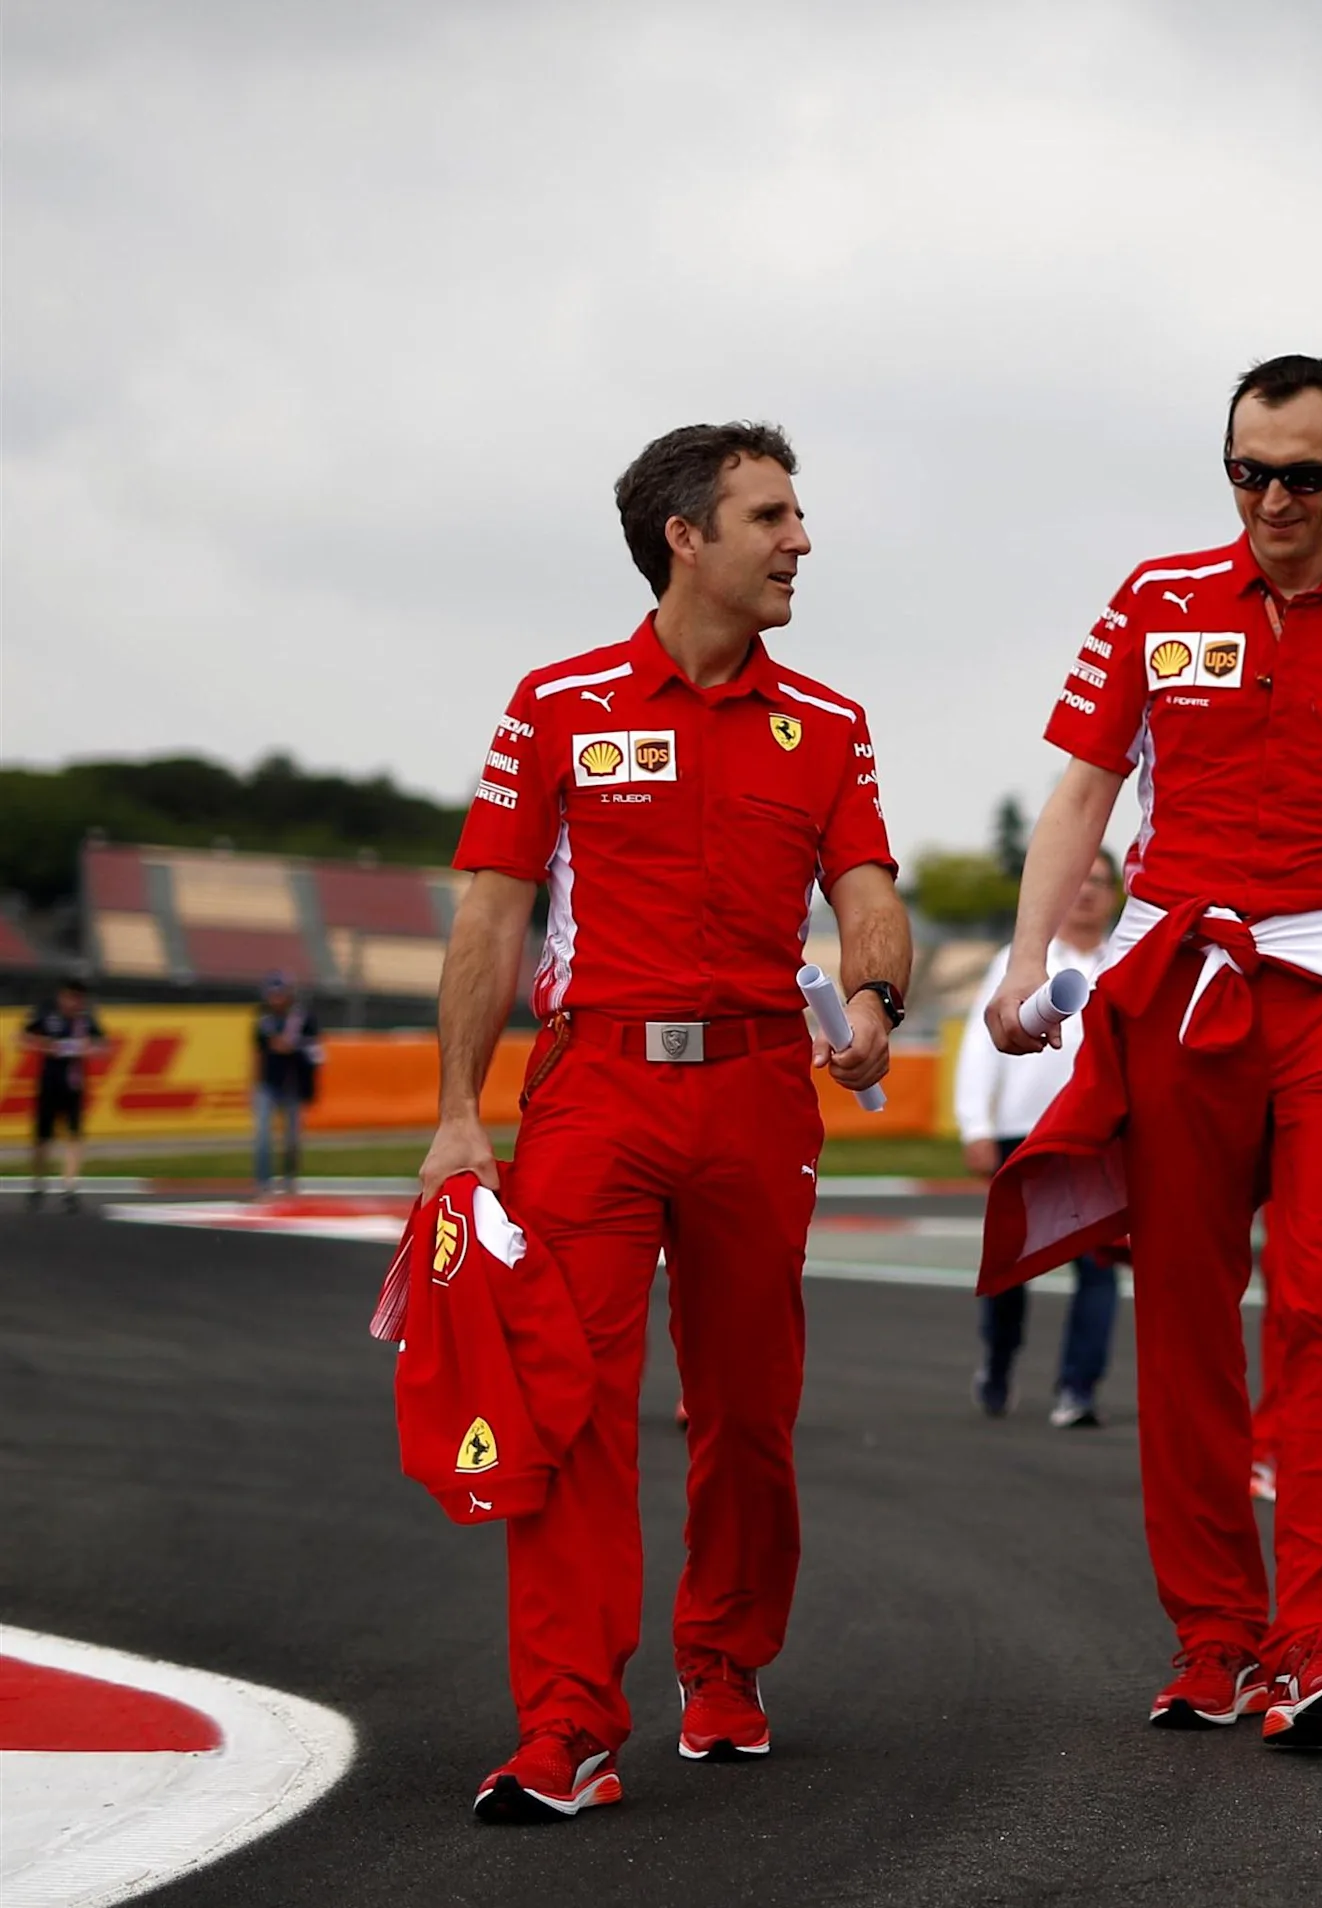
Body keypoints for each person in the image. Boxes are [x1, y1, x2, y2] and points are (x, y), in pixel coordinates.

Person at [982, 354, 1322, 1748]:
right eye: (1247, 471)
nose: (1271, 498)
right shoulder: (1157, 601)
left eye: (1299, 472)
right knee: (1180, 1315)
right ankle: (1213, 1639)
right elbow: (1083, 787)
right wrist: (1031, 956)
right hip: (1177, 982)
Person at [422, 421, 908, 1824]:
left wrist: (871, 998)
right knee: (565, 1410)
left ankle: (727, 1661)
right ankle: (568, 1724)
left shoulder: (829, 723)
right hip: (595, 1091)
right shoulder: (556, 704)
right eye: (771, 516)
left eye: (798, 514)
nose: (800, 540)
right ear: (685, 536)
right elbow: (493, 916)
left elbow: (866, 888)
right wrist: (459, 1111)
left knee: (747, 1405)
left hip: (761, 1088)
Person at [955, 847, 1125, 1428]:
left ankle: (1077, 1390)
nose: (1086, 892)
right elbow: (981, 1044)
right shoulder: (1023, 961)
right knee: (1013, 1265)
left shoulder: (1127, 959)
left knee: (1099, 1265)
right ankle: (999, 1363)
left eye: (1099, 882)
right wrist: (976, 1124)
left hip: (1099, 1135)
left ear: (1113, 895)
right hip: (1023, 1130)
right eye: (1078, 878)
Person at [22, 978, 105, 1211]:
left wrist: (90, 1048)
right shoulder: (46, 1013)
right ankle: (38, 1184)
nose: (74, 1003)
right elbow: (24, 1037)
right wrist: (46, 1045)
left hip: (74, 1087)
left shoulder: (86, 1020)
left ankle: (70, 1188)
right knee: (42, 1139)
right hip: (49, 1084)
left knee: (75, 1136)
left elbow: (103, 1045)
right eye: (71, 997)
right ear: (62, 996)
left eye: (79, 999)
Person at [252, 973, 322, 1195]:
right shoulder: (263, 1018)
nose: (276, 999)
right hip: (268, 1082)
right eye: (273, 995)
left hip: (293, 1084)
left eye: (279, 994)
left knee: (292, 1138)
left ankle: (289, 1178)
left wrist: (297, 1047)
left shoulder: (304, 1018)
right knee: (263, 1135)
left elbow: (315, 1051)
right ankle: (263, 1181)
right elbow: (265, 1047)